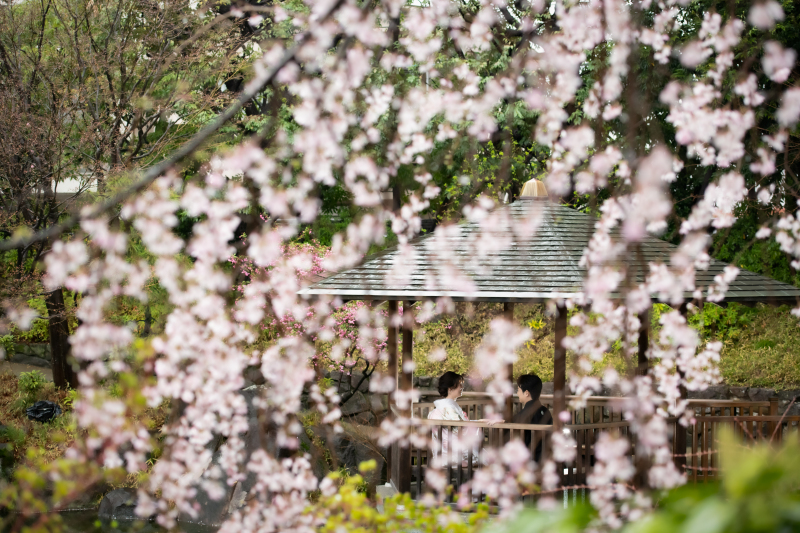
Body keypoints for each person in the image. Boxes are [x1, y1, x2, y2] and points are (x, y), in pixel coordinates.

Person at [427, 371, 497, 464]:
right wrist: (478, 424)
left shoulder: (442, 408)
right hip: (454, 455)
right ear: (450, 389)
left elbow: (461, 425)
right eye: (459, 384)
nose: (462, 387)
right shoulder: (449, 409)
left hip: (443, 453)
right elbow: (461, 429)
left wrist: (479, 421)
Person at [511, 374, 552, 462]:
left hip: (528, 462)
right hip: (545, 459)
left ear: (526, 393)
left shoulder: (524, 414)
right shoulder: (546, 411)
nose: (517, 393)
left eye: (518, 390)